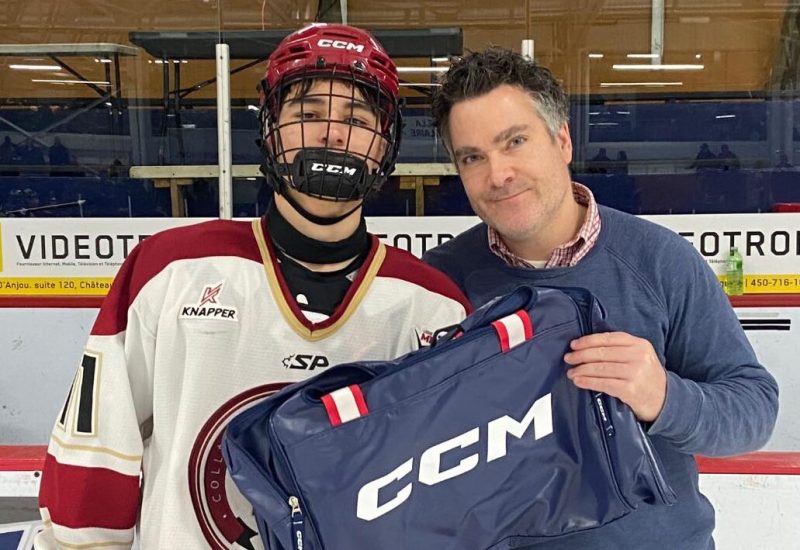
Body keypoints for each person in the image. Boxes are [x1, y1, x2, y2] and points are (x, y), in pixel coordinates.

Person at [35, 23, 470, 550]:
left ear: (387, 141)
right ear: (270, 128)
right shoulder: (170, 269)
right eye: (308, 114)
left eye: (357, 119)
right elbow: (94, 453)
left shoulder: (432, 306)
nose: (332, 134)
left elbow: (449, 496)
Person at [423, 48, 778, 550]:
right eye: (472, 157)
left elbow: (755, 407)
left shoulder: (659, 260)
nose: (498, 174)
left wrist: (663, 398)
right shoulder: (440, 285)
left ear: (562, 139)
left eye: (515, 142)